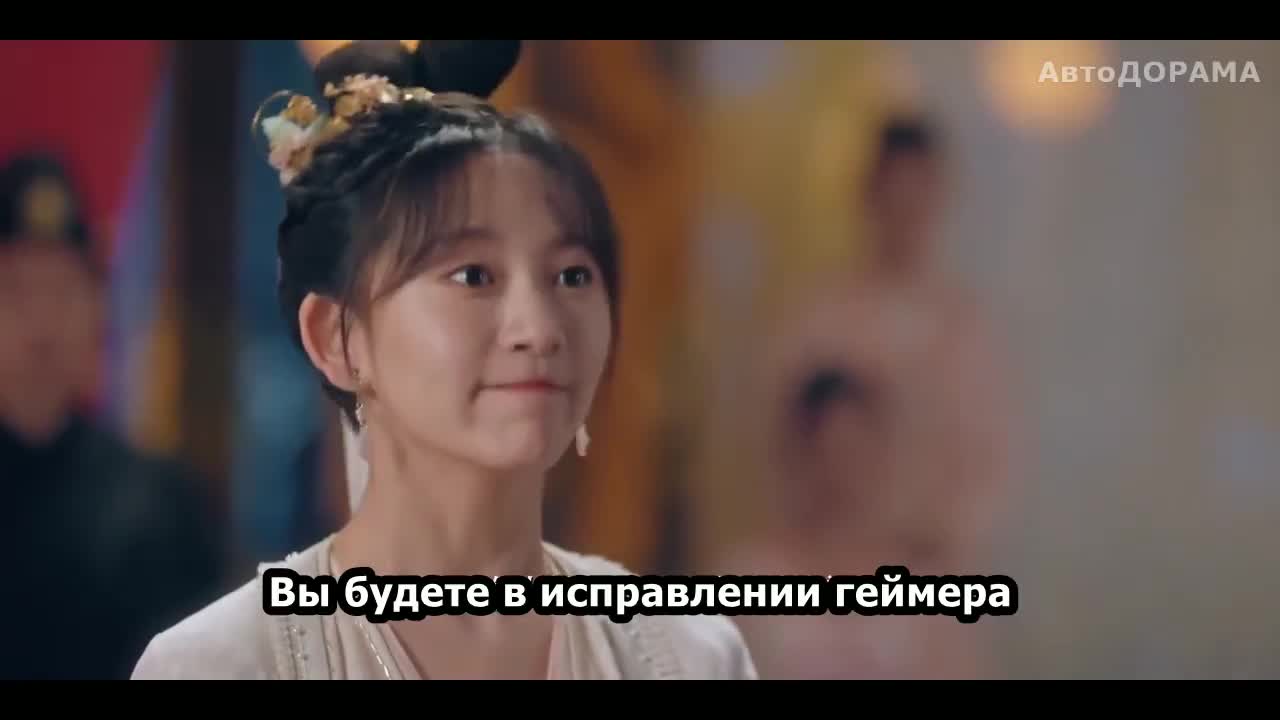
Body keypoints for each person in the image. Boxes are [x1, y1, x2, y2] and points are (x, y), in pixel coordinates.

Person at [130, 40, 757, 680]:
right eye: (474, 275)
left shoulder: (688, 657)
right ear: (338, 336)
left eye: (571, 275)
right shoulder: (222, 665)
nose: (539, 329)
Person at [725, 114, 1018, 679]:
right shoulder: (817, 321)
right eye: (893, 193)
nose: (905, 213)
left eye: (919, 195)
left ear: (939, 198)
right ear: (867, 194)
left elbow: (989, 468)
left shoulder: (967, 335)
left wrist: (921, 553)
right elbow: (778, 448)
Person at [0, 151, 227, 679]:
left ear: (97, 305)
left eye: (62, 291)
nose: (41, 324)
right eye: (15, 291)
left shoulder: (160, 505)